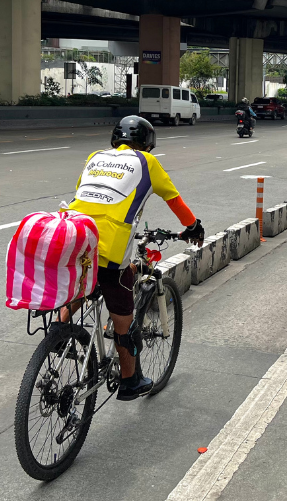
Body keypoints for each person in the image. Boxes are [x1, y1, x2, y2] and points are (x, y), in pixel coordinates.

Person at [64, 116, 204, 400]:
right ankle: (130, 381)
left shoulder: (95, 156)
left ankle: (60, 332)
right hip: (111, 249)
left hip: (73, 235)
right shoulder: (147, 163)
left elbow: (84, 192)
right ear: (147, 144)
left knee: (84, 278)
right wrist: (193, 226)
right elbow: (174, 200)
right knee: (123, 320)